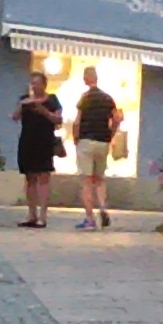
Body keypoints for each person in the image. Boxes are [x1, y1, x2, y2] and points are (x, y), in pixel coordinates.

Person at [73, 65, 122, 231]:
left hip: (86, 140)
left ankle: (90, 219)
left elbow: (77, 121)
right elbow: (117, 118)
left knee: (86, 181)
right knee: (100, 179)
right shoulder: (108, 98)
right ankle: (102, 207)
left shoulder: (85, 98)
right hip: (103, 142)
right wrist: (110, 134)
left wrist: (76, 138)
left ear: (86, 78)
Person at [12, 71, 62, 228]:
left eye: (37, 83)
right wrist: (22, 105)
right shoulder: (25, 100)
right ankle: (31, 214)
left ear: (44, 85)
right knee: (30, 178)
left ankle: (43, 216)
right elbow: (14, 117)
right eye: (33, 83)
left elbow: (58, 119)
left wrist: (44, 111)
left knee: (44, 177)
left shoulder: (52, 100)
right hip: (28, 141)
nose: (35, 86)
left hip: (44, 142)